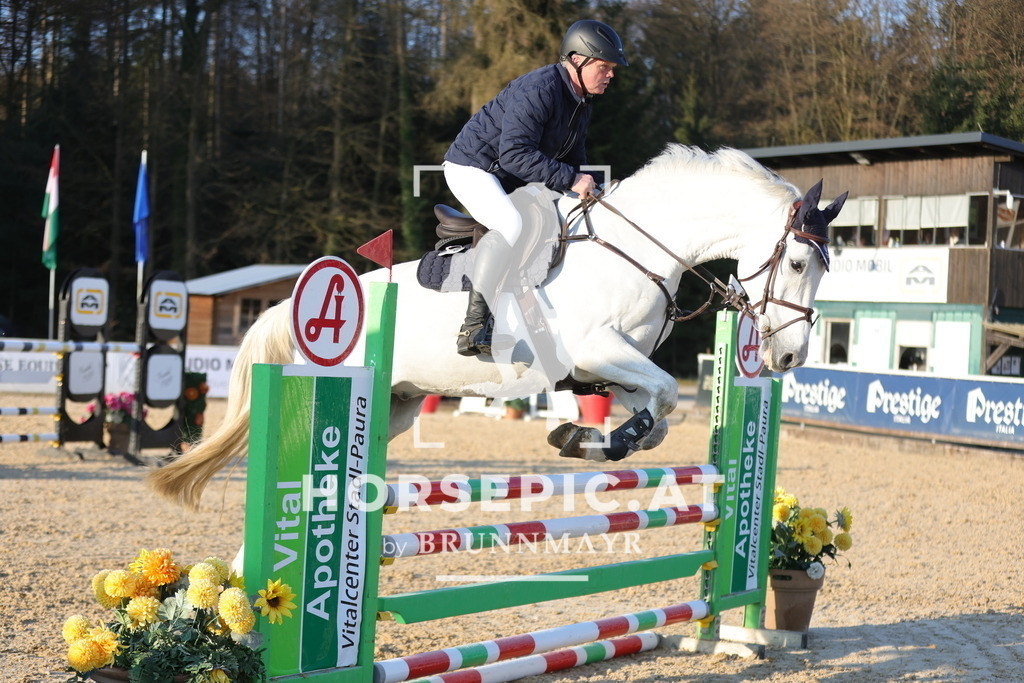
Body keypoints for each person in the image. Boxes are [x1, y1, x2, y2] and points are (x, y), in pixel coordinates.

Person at [443, 19, 628, 356]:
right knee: (510, 224)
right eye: (604, 66)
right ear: (577, 60)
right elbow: (514, 154)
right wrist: (572, 180)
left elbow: (575, 155)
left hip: (509, 175)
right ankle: (472, 327)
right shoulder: (540, 89)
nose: (611, 75)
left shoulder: (579, 100)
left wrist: (594, 187)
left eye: (612, 68)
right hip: (473, 167)